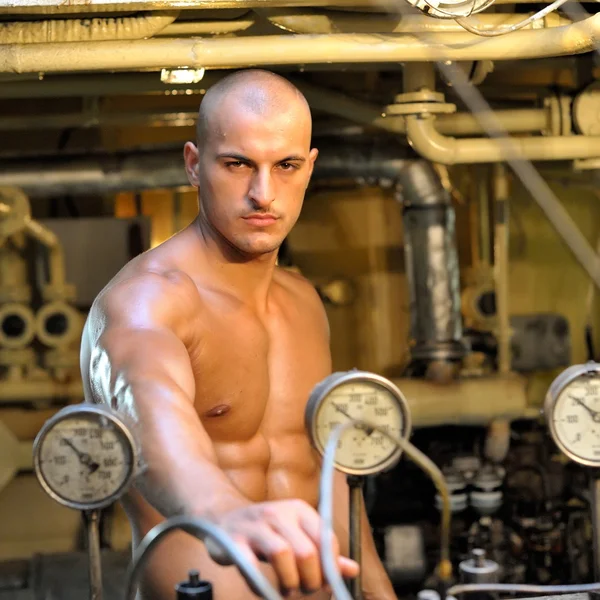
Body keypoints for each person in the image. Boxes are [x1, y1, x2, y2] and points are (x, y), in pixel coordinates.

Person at [80, 69, 397, 600]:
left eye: (286, 166)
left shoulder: (304, 303)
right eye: (238, 164)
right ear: (193, 165)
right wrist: (224, 513)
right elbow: (148, 415)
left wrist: (379, 590)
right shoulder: (148, 300)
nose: (263, 193)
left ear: (309, 168)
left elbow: (327, 473)